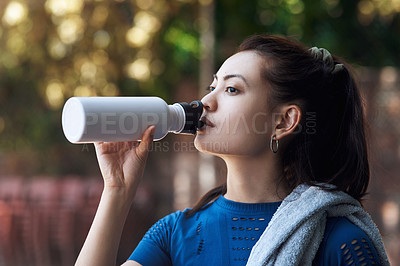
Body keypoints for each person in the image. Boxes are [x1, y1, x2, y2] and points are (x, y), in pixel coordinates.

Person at [75, 34, 389, 266]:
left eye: (231, 89)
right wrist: (117, 190)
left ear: (284, 121)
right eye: (212, 86)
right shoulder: (176, 234)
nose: (205, 101)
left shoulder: (340, 241)